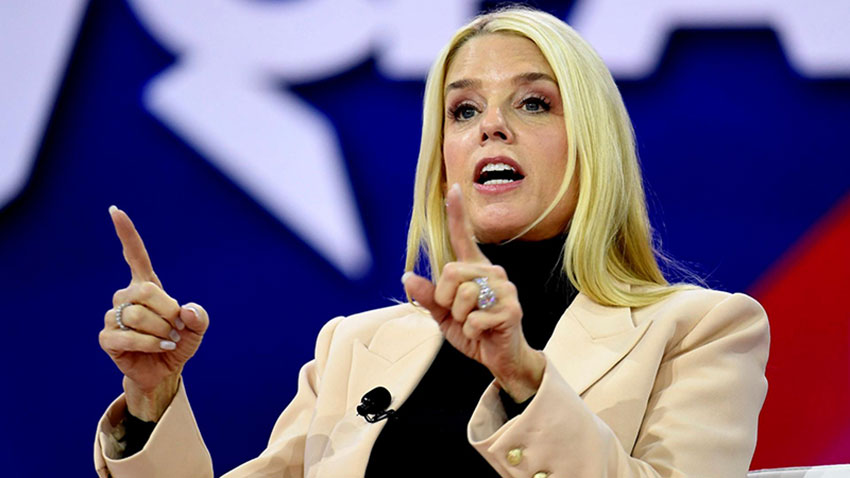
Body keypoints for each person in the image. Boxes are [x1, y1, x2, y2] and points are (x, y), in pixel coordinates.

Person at [95, 6, 769, 478]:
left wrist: (523, 378)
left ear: (593, 143)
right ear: (443, 159)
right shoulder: (352, 349)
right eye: (464, 110)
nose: (491, 127)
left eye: (533, 102)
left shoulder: (701, 331)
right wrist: (152, 404)